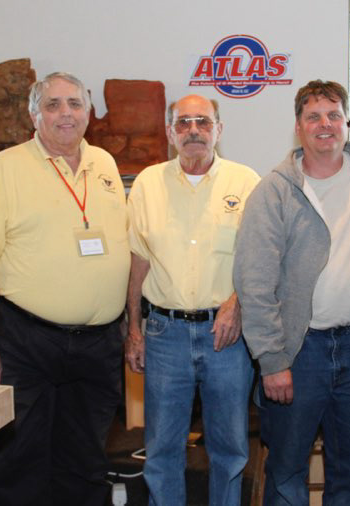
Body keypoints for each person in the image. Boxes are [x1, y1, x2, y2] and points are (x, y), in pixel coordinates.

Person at [234, 80, 350, 505]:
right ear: (298, 127)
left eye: (334, 115)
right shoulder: (275, 191)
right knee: (286, 472)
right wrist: (272, 361)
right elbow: (254, 283)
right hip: (298, 353)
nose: (325, 124)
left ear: (347, 124)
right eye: (313, 116)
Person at [0, 72, 130, 506]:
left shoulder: (105, 164)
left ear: (89, 112)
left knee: (87, 461)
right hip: (26, 342)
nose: (65, 114)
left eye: (74, 103)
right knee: (20, 461)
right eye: (53, 105)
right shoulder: (6, 167)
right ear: (34, 114)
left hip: (98, 346)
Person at [125, 94, 260, 505]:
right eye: (183, 123)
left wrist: (237, 303)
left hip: (227, 335)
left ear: (219, 129)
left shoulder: (246, 182)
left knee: (229, 449)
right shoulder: (147, 183)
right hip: (164, 334)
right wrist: (134, 330)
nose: (194, 130)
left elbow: (259, 258)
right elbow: (138, 261)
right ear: (170, 132)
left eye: (203, 121)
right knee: (162, 449)